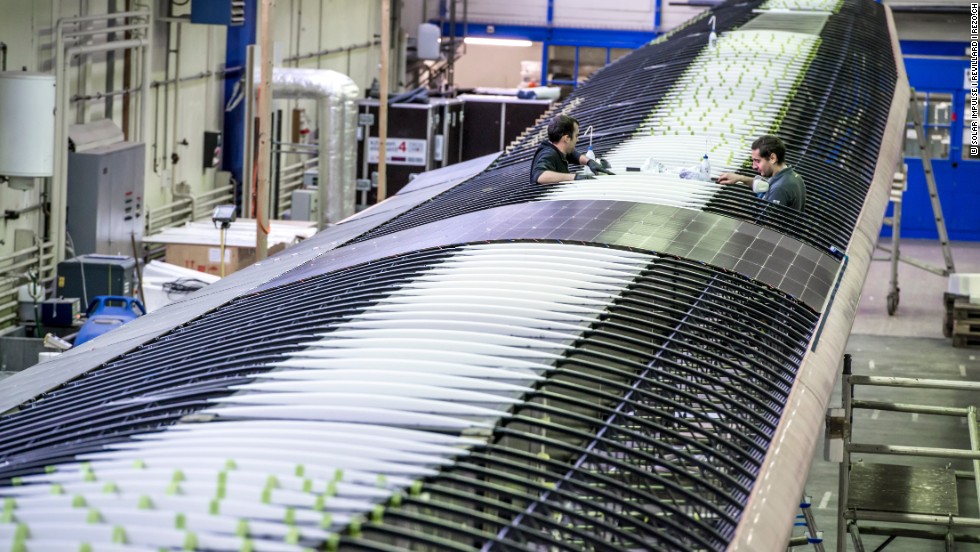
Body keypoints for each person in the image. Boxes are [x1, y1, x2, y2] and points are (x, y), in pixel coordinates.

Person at [717, 135, 806, 212]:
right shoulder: (794, 178)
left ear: (772, 158)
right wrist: (740, 178)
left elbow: (766, 228)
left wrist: (736, 210)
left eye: (757, 161)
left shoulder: (779, 189)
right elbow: (765, 186)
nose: (754, 166)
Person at [531, 115, 613, 185]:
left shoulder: (558, 150)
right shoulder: (549, 154)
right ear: (566, 138)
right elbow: (539, 176)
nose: (577, 140)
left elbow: (572, 155)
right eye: (576, 136)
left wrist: (589, 162)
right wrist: (574, 177)